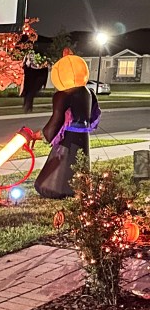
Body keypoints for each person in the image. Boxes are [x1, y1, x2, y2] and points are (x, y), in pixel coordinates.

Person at [33, 51, 100, 199]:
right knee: (80, 162)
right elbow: (92, 115)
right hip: (83, 136)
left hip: (68, 137)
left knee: (61, 165)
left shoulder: (62, 95)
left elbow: (56, 120)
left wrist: (43, 135)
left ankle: (56, 189)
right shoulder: (89, 92)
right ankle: (79, 188)